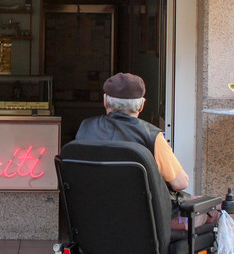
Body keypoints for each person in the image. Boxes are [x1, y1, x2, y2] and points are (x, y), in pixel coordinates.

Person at [75, 72, 215, 228]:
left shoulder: (85, 129)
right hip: (146, 222)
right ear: (141, 105)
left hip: (95, 217)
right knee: (213, 210)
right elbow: (180, 183)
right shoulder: (152, 136)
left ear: (105, 101)